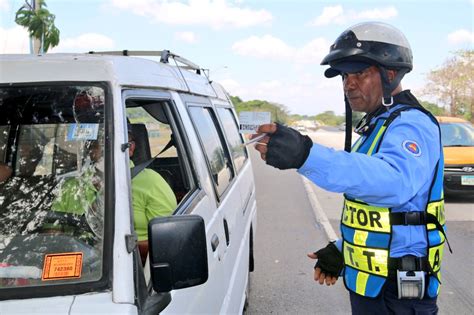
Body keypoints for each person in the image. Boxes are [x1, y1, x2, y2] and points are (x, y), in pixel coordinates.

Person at [253, 22, 448, 314]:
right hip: (374, 288)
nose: (349, 83)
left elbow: (393, 184)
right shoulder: (377, 127)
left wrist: (306, 154)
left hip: (398, 295)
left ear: (390, 73)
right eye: (344, 75)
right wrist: (343, 250)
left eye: (360, 73)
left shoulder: (411, 124)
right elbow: (379, 215)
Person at [128, 129, 177, 264]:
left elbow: (166, 243)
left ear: (130, 148)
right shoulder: (71, 186)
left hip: (139, 267)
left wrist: (120, 249)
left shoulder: (151, 183)